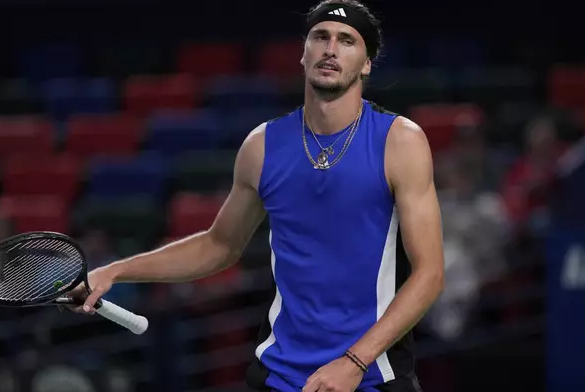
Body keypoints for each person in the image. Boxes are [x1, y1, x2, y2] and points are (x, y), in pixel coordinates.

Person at [67, 1, 445, 391]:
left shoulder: (400, 142)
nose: (331, 49)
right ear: (304, 54)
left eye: (347, 41)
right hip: (279, 376)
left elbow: (430, 275)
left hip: (373, 375)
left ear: (366, 64)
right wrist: (114, 271)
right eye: (320, 37)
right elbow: (218, 245)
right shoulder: (262, 146)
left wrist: (353, 362)